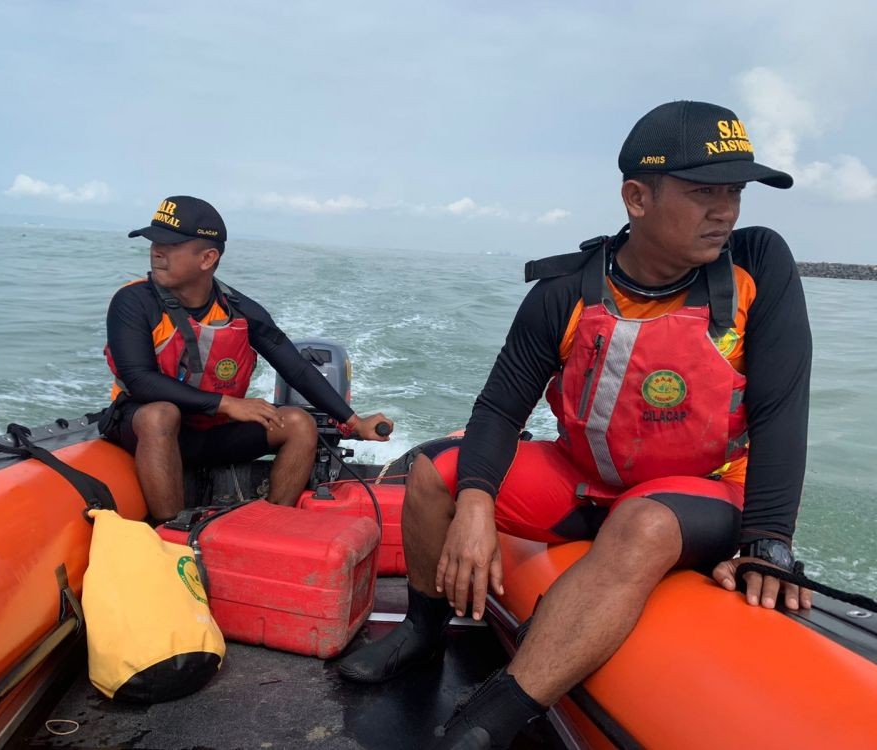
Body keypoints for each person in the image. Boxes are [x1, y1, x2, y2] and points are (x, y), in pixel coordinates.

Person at [337, 101, 813, 749]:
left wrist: (769, 542)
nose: (726, 211)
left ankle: (483, 725)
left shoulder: (758, 264)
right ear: (636, 197)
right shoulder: (564, 291)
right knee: (432, 476)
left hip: (703, 491)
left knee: (641, 523)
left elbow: (783, 408)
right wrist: (475, 500)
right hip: (584, 479)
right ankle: (423, 630)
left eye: (734, 192)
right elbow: (501, 409)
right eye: (705, 192)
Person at [101, 195, 393, 521]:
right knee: (160, 414)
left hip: (207, 434)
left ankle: (269, 524)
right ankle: (173, 531)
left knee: (298, 423)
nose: (157, 250)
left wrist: (355, 422)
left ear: (207, 258)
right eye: (154, 241)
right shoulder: (133, 302)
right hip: (144, 432)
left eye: (170, 245)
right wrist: (227, 404)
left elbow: (295, 368)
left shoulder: (239, 310)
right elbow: (139, 380)